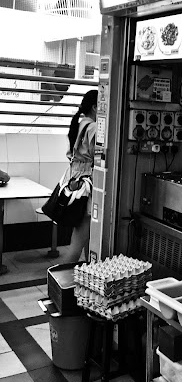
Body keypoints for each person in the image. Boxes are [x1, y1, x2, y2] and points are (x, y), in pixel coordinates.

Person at [64, 89, 97, 265]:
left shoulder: (79, 123)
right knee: (78, 241)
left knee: (86, 238)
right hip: (88, 185)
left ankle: (86, 273)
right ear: (94, 107)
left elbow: (70, 153)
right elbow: (99, 156)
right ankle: (61, 286)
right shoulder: (92, 127)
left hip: (76, 182)